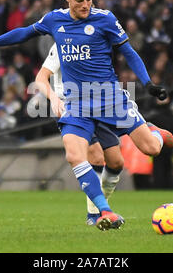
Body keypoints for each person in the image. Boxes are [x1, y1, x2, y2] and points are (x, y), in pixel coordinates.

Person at [0, 0, 173, 231]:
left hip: (110, 99)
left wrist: (148, 84)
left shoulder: (105, 19)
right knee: (75, 155)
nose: (85, 5)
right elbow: (23, 34)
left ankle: (154, 132)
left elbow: (128, 52)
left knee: (150, 149)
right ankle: (102, 212)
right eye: (79, 1)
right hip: (76, 103)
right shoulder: (54, 20)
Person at [35, 43, 125, 226]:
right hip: (72, 108)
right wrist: (53, 98)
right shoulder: (64, 42)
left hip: (99, 106)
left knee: (116, 162)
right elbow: (41, 78)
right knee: (96, 157)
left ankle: (100, 210)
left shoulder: (97, 40)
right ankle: (97, 214)